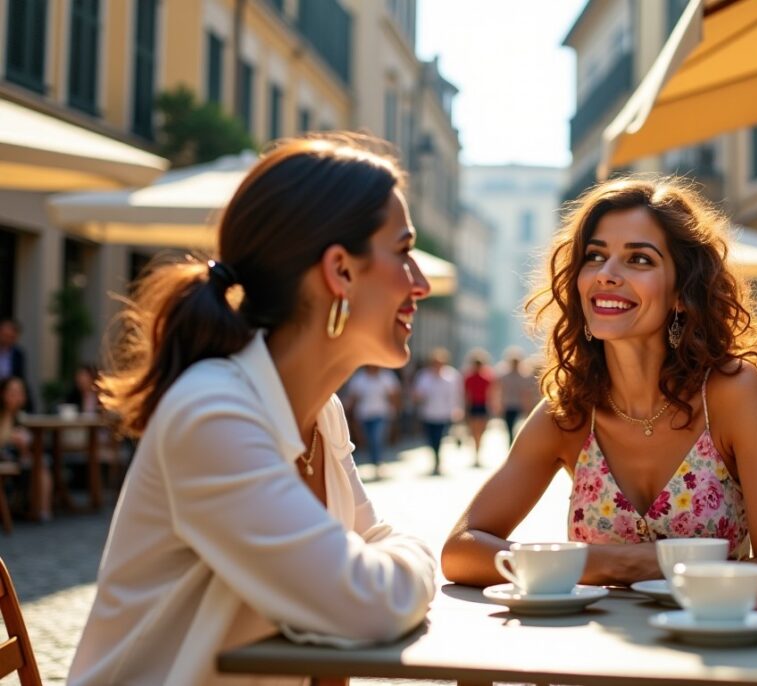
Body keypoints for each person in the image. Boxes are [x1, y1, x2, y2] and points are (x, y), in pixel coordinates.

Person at [68, 134, 439, 685]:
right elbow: (367, 604)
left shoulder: (321, 411)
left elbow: (372, 549)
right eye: (404, 251)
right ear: (340, 270)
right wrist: (416, 561)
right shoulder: (213, 413)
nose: (421, 284)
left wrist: (394, 563)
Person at [442, 177, 757, 588]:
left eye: (639, 260)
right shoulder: (569, 411)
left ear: (681, 292)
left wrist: (577, 565)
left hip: (717, 643)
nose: (607, 274)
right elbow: (460, 551)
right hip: (597, 649)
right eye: (595, 256)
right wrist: (618, 563)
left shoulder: (732, 394)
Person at [0, 376, 49, 520]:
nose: (16, 396)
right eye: (12, 392)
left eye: (20, 392)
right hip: (5, 457)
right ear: (3, 393)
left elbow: (30, 447)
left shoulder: (25, 418)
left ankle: (42, 511)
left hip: (20, 458)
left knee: (41, 465)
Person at [412, 347, 462, 476]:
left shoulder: (451, 376)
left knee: (439, 438)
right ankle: (435, 458)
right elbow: (418, 394)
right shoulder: (424, 377)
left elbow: (456, 395)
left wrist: (458, 410)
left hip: (444, 413)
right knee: (430, 439)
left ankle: (437, 460)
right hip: (428, 413)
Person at [345, 365, 400, 478]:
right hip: (364, 415)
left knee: (376, 439)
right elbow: (353, 398)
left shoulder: (386, 377)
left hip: (381, 414)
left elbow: (394, 396)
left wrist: (395, 413)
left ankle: (377, 463)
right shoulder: (359, 378)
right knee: (369, 440)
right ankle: (375, 461)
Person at [496, 346, 536, 444]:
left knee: (519, 427)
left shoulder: (524, 376)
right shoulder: (504, 376)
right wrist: (499, 404)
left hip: (519, 405)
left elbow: (526, 393)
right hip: (508, 404)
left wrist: (527, 406)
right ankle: (511, 444)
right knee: (509, 428)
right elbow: (500, 391)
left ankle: (517, 444)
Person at [462, 349, 494, 468]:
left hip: (483, 405)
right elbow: (466, 394)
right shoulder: (468, 377)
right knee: (474, 431)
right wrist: (465, 409)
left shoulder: (487, 377)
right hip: (473, 405)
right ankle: (476, 454)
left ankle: (478, 453)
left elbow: (491, 393)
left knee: (481, 432)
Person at [0, 319, 32, 412]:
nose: (7, 339)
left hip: (9, 393)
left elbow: (20, 377)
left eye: (11, 337)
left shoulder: (18, 354)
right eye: (5, 335)